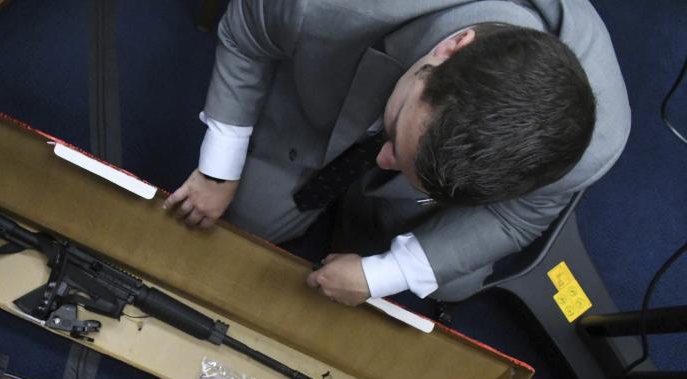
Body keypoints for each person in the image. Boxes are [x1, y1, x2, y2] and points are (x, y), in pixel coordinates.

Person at [165, 0, 630, 303]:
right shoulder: (326, 6)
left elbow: (517, 217)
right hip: (323, 106)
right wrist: (218, 171)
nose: (382, 163)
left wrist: (385, 274)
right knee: (249, 218)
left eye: (407, 169)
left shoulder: (595, 146)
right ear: (452, 47)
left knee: (453, 285)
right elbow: (247, 33)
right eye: (396, 134)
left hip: (419, 196)